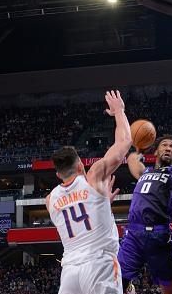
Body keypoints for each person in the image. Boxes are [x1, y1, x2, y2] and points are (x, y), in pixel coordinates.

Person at [46, 90, 131, 294]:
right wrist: (119, 111)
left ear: (58, 175)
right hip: (99, 264)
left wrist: (101, 205)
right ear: (80, 166)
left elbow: (79, 214)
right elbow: (124, 142)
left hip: (70, 272)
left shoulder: (50, 200)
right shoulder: (93, 178)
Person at [118, 134, 172, 294]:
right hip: (133, 234)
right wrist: (139, 147)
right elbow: (132, 160)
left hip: (159, 234)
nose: (168, 148)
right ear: (155, 152)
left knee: (170, 289)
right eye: (164, 145)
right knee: (116, 282)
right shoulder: (144, 172)